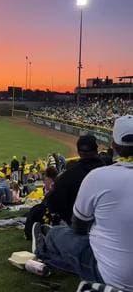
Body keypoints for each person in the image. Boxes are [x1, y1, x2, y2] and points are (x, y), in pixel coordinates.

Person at [33, 115, 133, 291]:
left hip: (112, 275)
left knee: (57, 234)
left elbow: (78, 227)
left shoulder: (98, 176)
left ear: (114, 145)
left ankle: (42, 248)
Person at [46, 134, 105, 225]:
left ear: (78, 152)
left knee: (53, 233)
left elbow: (53, 204)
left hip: (79, 228)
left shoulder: (69, 175)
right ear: (96, 150)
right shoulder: (109, 169)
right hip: (106, 224)